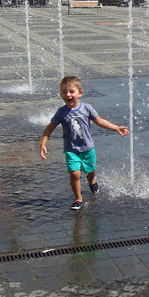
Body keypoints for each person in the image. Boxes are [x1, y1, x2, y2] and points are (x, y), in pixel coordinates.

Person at [40, 76, 129, 210]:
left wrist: (116, 128)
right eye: (64, 92)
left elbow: (100, 121)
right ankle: (78, 199)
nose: (68, 95)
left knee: (91, 171)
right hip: (71, 150)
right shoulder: (61, 112)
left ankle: (92, 181)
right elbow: (50, 128)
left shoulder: (87, 108)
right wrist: (43, 143)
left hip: (87, 148)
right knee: (75, 173)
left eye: (71, 91)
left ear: (80, 93)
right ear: (60, 95)